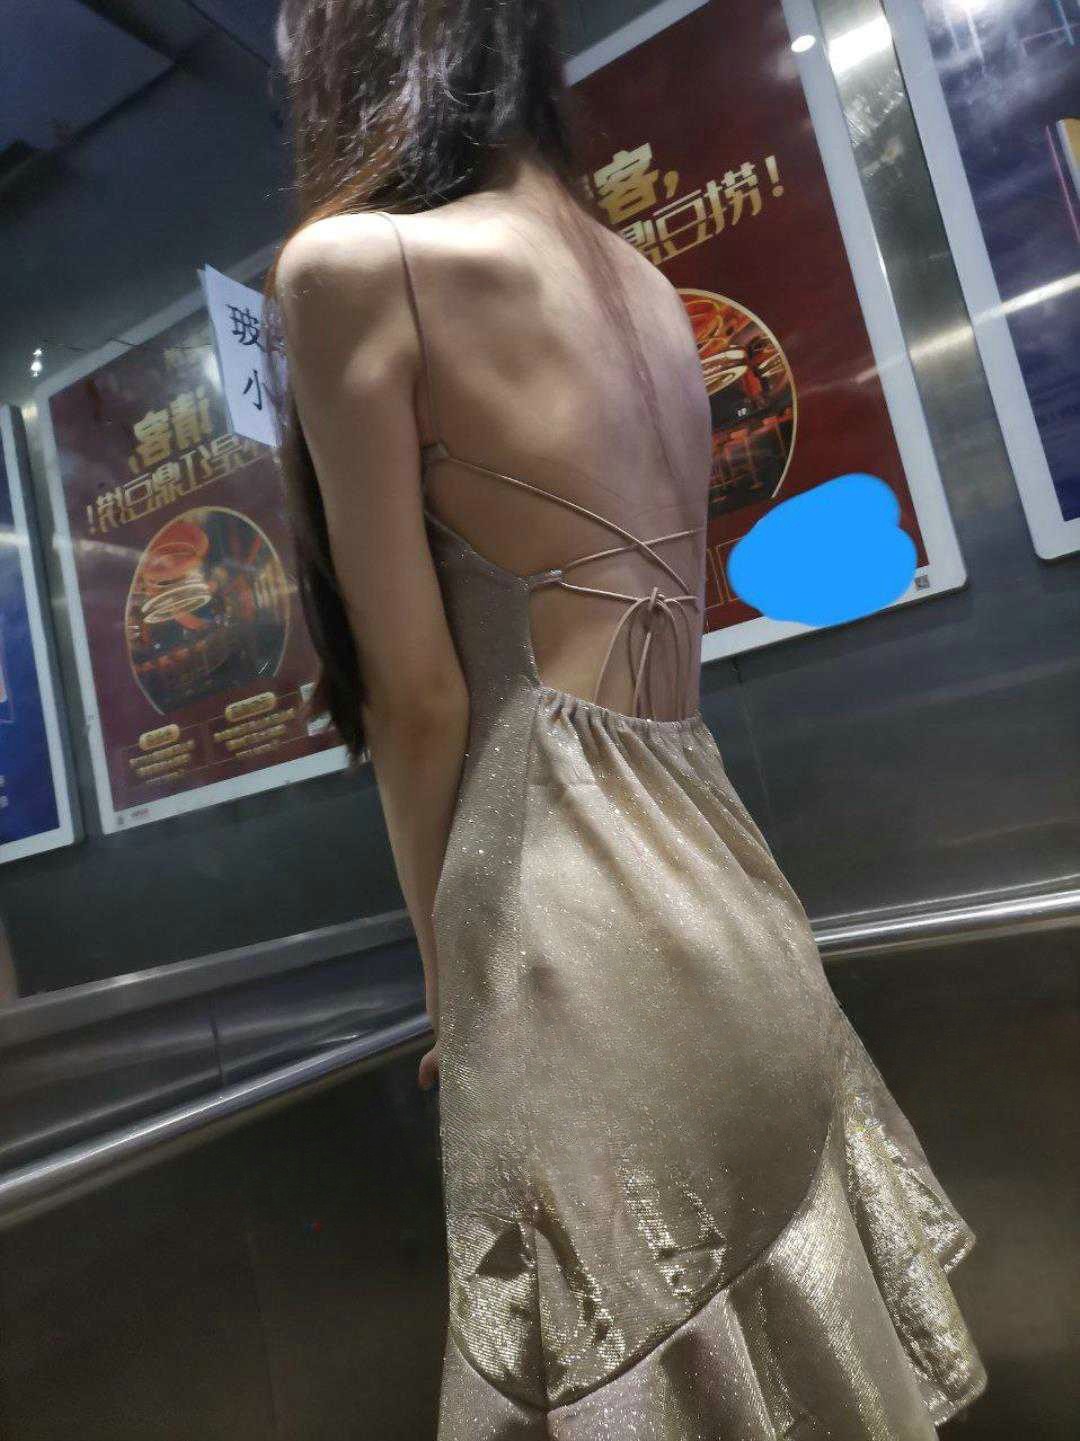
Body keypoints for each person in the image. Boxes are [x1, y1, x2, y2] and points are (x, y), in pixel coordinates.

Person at [267, 2, 987, 1435]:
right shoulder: (644, 291)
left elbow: (421, 702)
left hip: (563, 945)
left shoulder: (360, 268)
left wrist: (449, 987)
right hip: (741, 916)